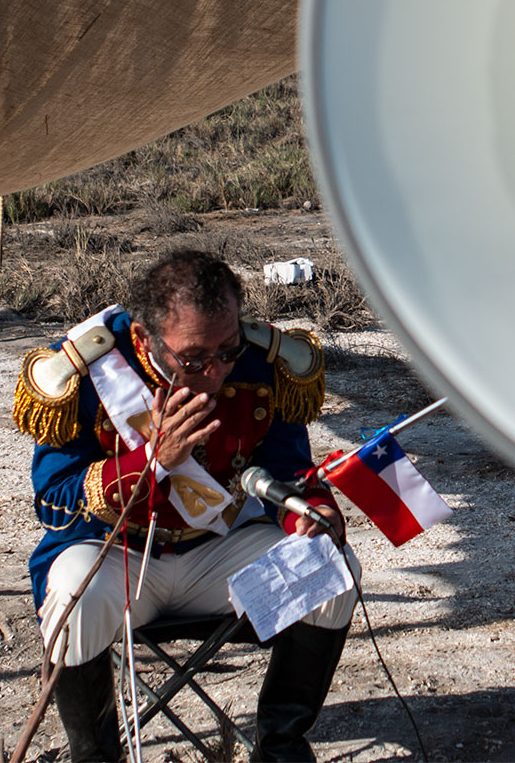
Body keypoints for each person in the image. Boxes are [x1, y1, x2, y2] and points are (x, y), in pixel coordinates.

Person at [20, 250, 354, 763]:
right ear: (146, 336)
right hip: (118, 558)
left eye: (228, 348)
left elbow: (286, 467)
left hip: (217, 550)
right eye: (195, 358)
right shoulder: (87, 372)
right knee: (71, 601)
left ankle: (281, 748)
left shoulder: (264, 363)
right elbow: (55, 496)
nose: (218, 370)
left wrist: (306, 511)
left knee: (332, 569)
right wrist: (152, 461)